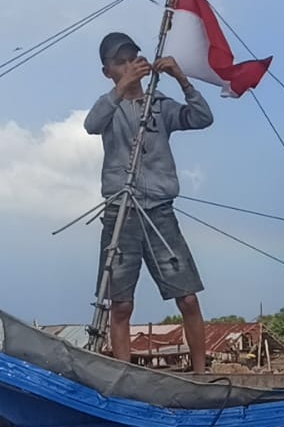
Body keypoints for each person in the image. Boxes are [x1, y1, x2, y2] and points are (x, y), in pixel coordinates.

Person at [84, 31, 214, 372]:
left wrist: (181, 79)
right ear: (107, 71)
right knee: (121, 304)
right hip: (121, 212)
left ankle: (201, 372)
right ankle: (124, 375)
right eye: (120, 63)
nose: (129, 67)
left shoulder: (159, 105)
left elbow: (202, 118)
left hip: (159, 212)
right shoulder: (108, 107)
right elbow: (91, 125)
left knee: (187, 297)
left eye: (133, 59)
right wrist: (121, 89)